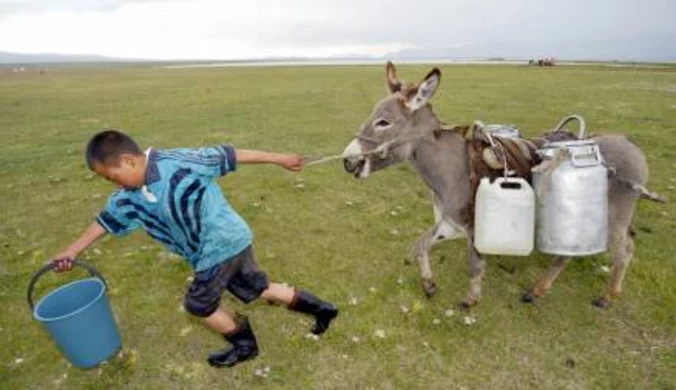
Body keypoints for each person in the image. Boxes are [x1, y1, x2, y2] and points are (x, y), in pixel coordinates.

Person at [50, 129, 338, 368]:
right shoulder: (128, 196)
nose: (113, 184)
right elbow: (106, 220)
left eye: (111, 177)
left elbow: (231, 155)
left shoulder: (179, 162)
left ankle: (245, 345)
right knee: (257, 288)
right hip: (229, 243)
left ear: (127, 161)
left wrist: (280, 159)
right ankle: (324, 309)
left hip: (221, 243)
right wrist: (73, 251)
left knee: (198, 305)